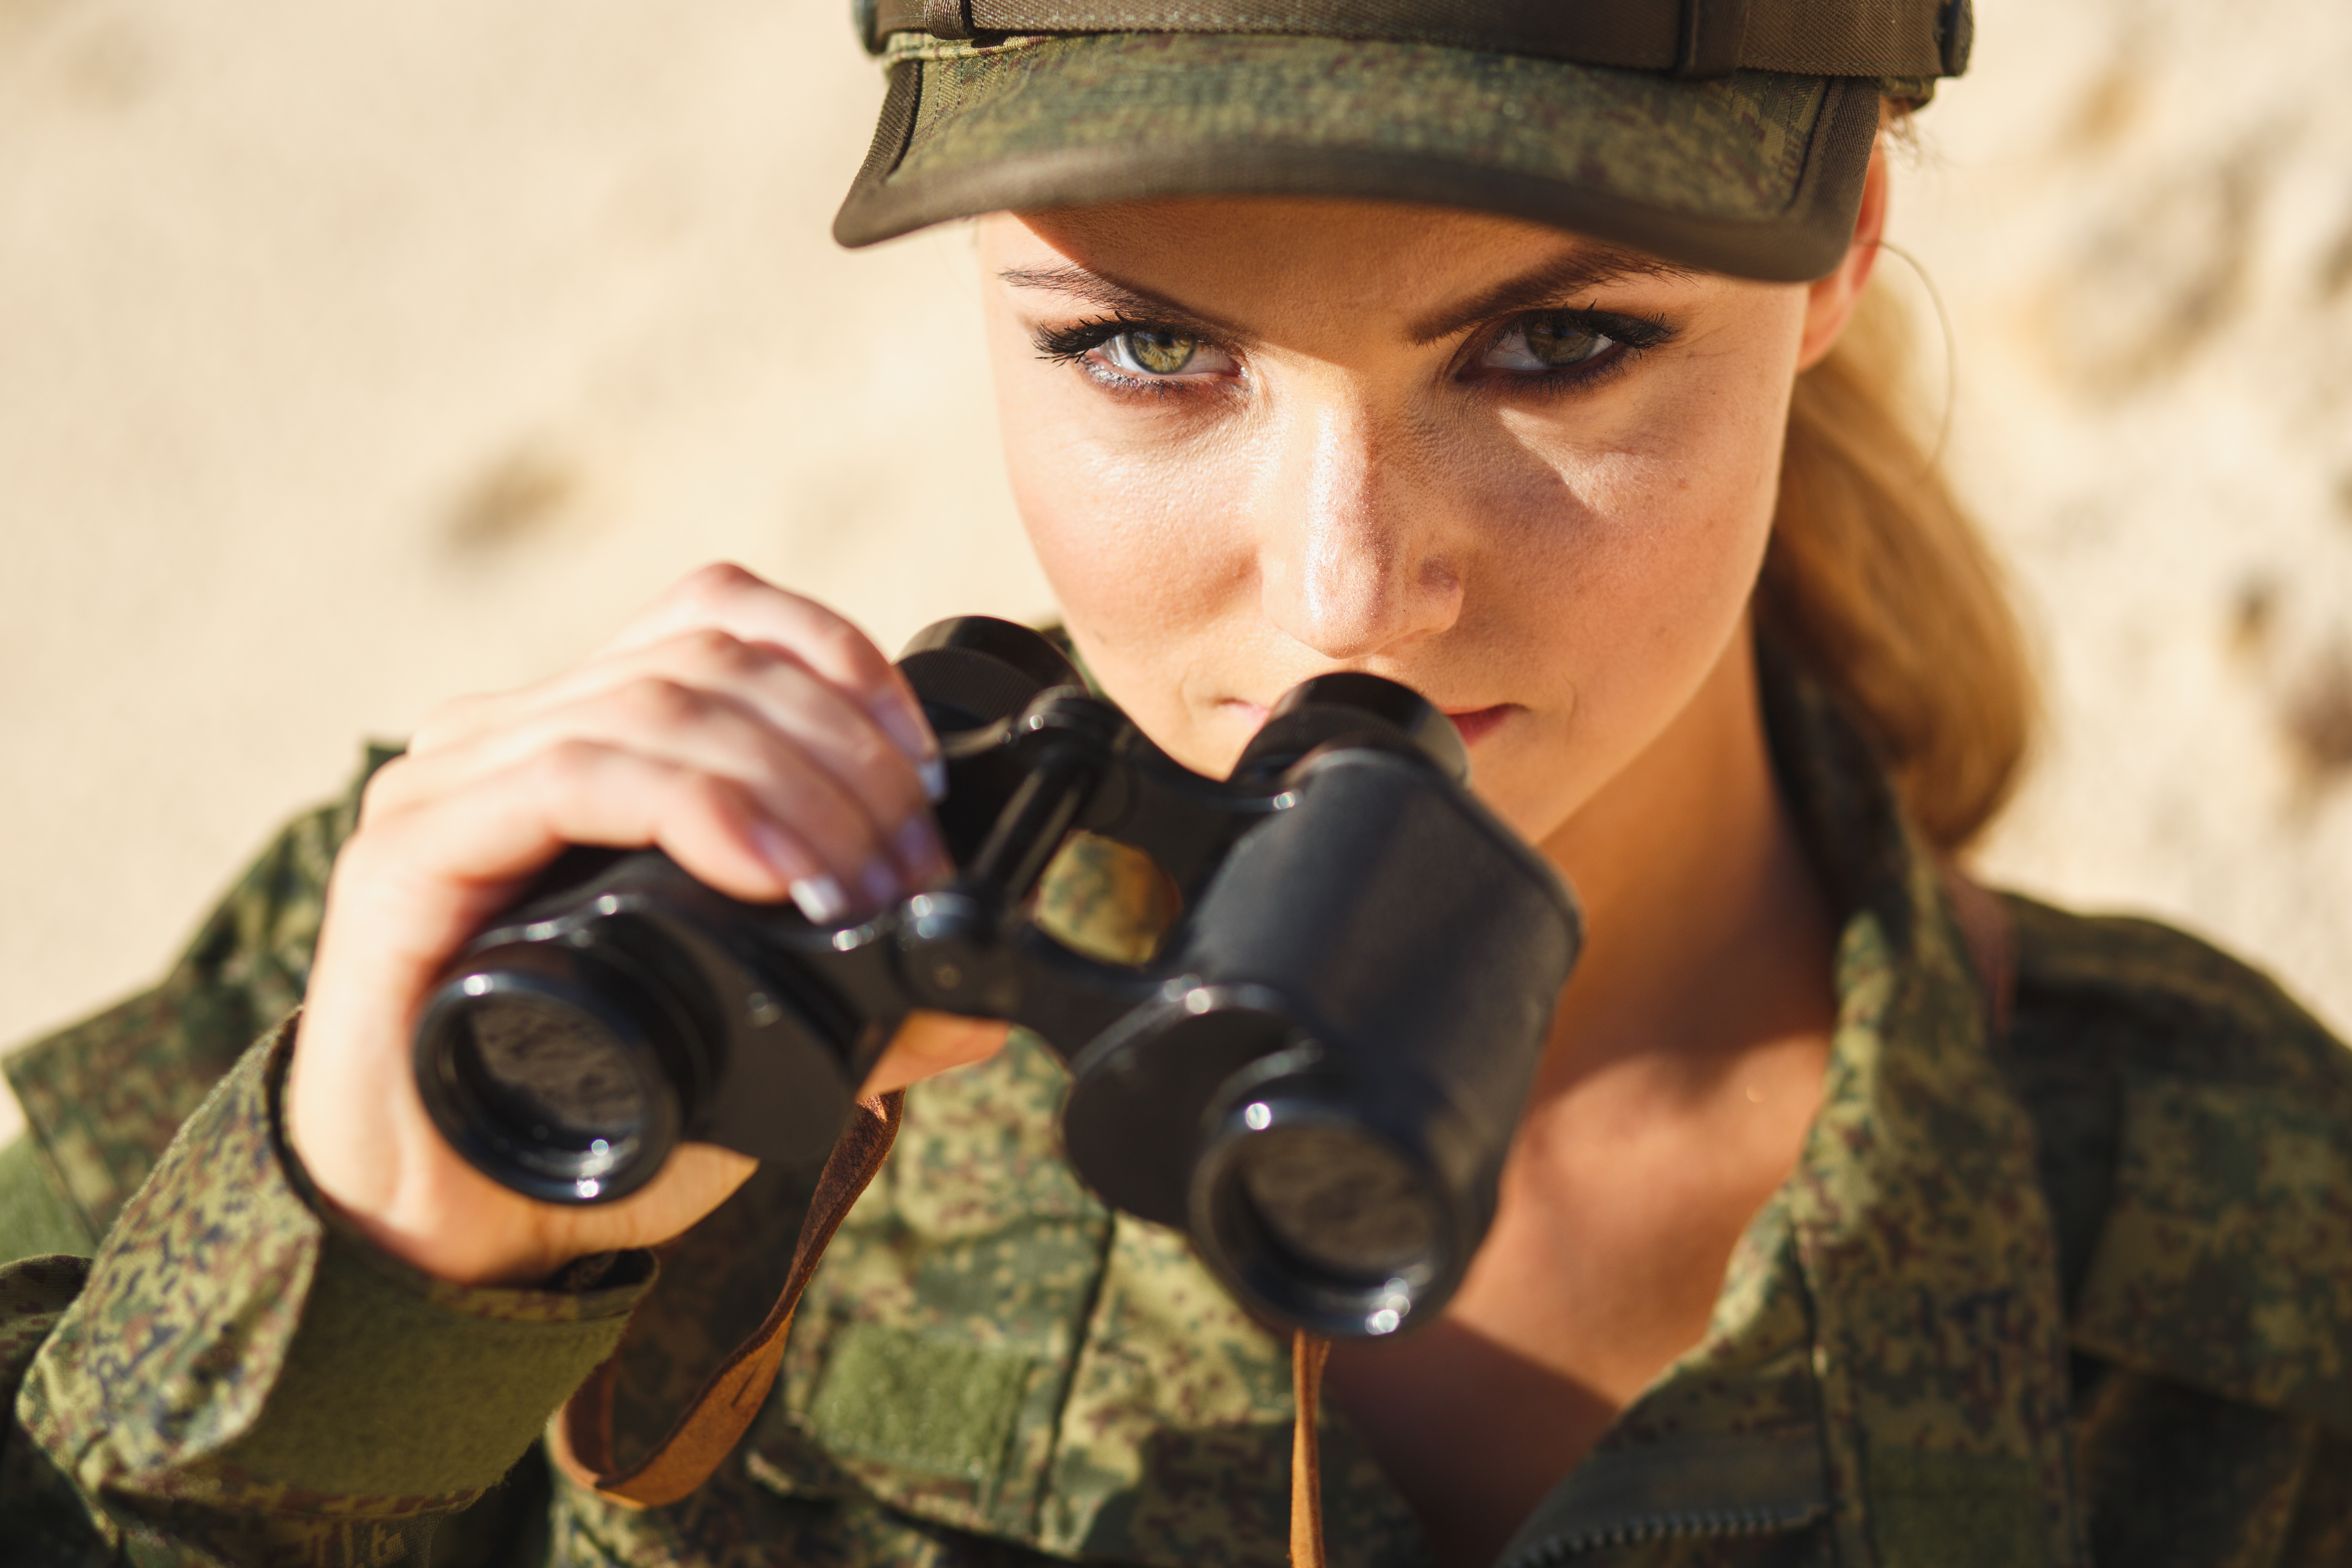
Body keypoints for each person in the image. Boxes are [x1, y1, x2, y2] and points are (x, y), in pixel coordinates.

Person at [3, 2, 2349, 1564]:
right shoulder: (515, 998)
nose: (1350, 588)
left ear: (1842, 247)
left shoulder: (2247, 1263)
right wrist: (374, 1309)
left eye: (1559, 345)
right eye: (1146, 348)